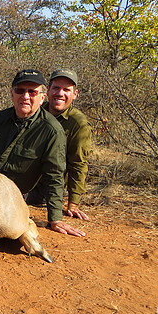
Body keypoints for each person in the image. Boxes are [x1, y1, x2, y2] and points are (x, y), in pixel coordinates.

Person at [0, 69, 85, 237]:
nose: (25, 96)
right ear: (12, 94)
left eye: (32, 92)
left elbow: (54, 175)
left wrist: (56, 218)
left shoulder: (52, 130)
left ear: (42, 97)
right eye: (20, 90)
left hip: (16, 197)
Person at [44, 69, 92, 221]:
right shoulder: (36, 111)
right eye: (56, 88)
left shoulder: (78, 123)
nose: (60, 93)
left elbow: (78, 163)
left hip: (51, 186)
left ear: (75, 94)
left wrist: (73, 203)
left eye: (66, 90)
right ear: (48, 91)